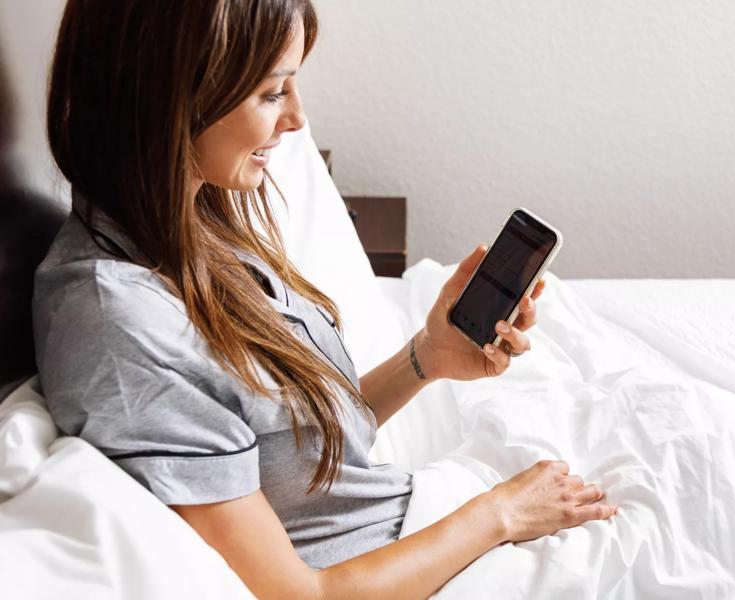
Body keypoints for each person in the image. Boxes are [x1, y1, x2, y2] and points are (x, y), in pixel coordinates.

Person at [32, 1, 617, 598]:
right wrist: (503, 514)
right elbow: (302, 595)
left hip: (418, 525)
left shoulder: (195, 222)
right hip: (413, 562)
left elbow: (294, 455)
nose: (296, 118)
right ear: (168, 99)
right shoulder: (122, 328)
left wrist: (427, 356)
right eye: (272, 92)